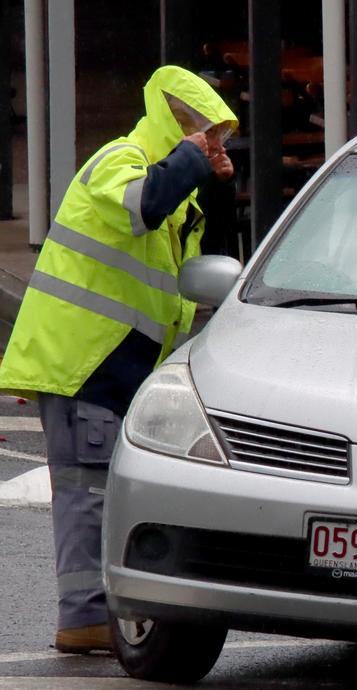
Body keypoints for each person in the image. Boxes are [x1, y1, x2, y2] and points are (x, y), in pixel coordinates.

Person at [0, 66, 237, 653]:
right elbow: (141, 207)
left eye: (213, 139)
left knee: (108, 492)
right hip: (85, 360)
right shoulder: (119, 159)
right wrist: (188, 164)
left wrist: (214, 185)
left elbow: (205, 272)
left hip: (121, 363)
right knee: (89, 492)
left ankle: (93, 614)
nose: (206, 146)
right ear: (169, 121)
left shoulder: (178, 190)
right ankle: (81, 618)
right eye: (199, 132)